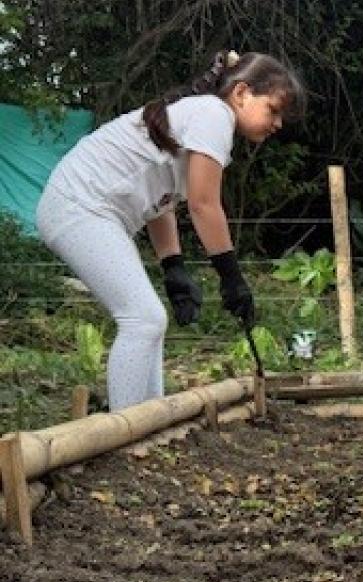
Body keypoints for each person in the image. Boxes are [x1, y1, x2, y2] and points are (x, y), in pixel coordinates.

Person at [35, 50, 304, 410]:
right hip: (79, 206)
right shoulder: (214, 114)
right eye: (273, 110)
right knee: (142, 319)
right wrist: (231, 276)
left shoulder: (198, 116)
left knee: (150, 322)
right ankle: (125, 434)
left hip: (88, 209)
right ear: (241, 93)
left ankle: (149, 420)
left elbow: (161, 200)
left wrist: (173, 265)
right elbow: (203, 204)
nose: (278, 124)